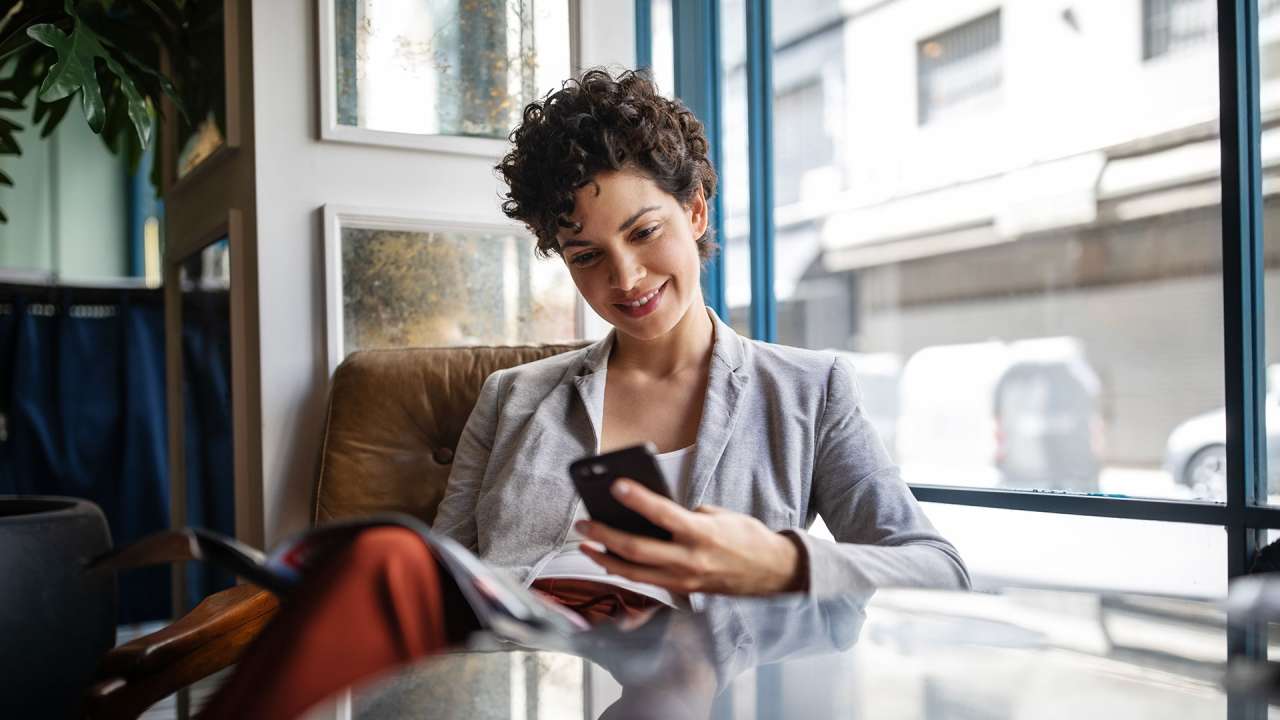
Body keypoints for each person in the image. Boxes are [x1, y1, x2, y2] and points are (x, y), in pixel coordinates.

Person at [201, 68, 969, 719]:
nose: (625, 279)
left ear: (696, 209)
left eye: (644, 232)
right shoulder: (511, 399)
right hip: (527, 694)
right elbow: (448, 584)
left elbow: (938, 569)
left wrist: (780, 562)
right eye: (586, 255)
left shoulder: (807, 391)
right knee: (387, 560)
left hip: (709, 692)